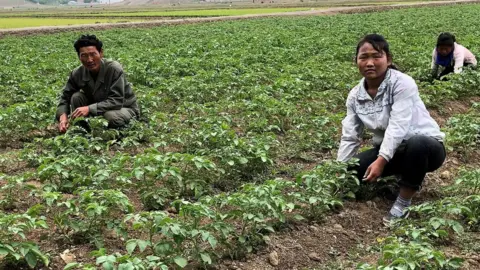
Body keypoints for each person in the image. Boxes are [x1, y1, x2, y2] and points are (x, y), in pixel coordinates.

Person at [337, 34, 446, 224]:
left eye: (376, 56)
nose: (370, 62)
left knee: (417, 144)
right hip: (391, 151)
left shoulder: (402, 83)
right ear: (356, 61)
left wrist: (381, 161)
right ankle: (400, 174)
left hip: (428, 148)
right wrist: (337, 172)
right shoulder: (355, 96)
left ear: (388, 59)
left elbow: (398, 126)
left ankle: (403, 202)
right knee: (352, 170)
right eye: (363, 57)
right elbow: (350, 137)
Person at [56, 34, 140, 133]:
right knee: (76, 97)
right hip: (99, 108)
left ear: (101, 53)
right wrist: (63, 116)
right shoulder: (77, 73)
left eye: (93, 54)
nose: (89, 60)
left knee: (110, 117)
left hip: (123, 108)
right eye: (84, 55)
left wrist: (89, 109)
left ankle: (114, 135)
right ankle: (81, 130)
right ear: (79, 57)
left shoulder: (113, 69)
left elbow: (117, 100)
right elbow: (65, 98)